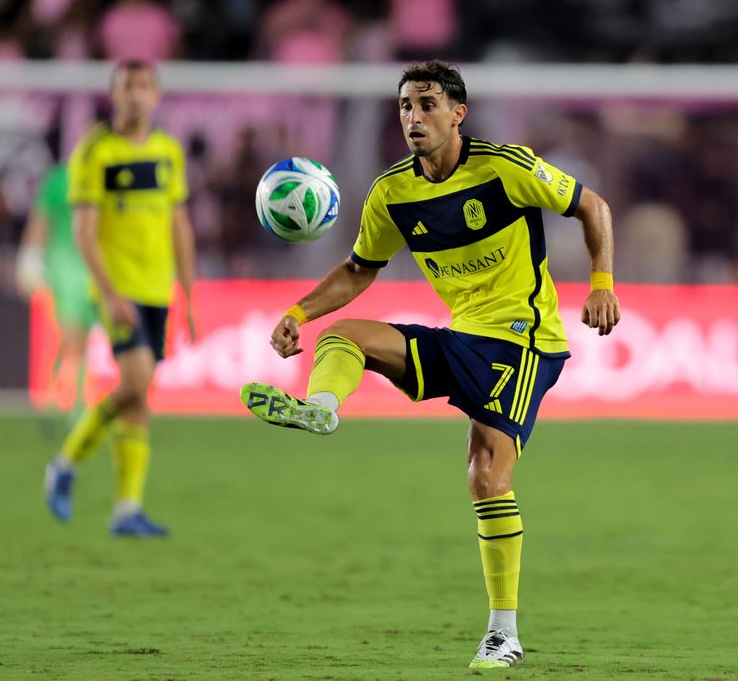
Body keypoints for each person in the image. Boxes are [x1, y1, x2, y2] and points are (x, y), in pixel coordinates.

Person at [240, 61, 620, 668]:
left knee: (486, 477)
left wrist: (600, 282)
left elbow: (592, 205)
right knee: (345, 337)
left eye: (426, 104)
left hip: (524, 342)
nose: (413, 117)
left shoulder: (506, 167)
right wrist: (298, 311)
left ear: (457, 113)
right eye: (405, 107)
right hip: (462, 336)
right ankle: (320, 408)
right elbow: (360, 269)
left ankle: (504, 634)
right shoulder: (393, 191)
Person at [44, 60, 197, 537]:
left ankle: (126, 509)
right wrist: (109, 294)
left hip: (157, 289)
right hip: (118, 290)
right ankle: (66, 462)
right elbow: (84, 233)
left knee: (138, 399)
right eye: (128, 86)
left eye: (146, 86)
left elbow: (178, 224)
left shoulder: (168, 151)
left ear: (157, 96)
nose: (137, 95)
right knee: (134, 382)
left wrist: (188, 294)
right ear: (114, 94)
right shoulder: (94, 152)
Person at [17, 162, 94, 417]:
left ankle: (74, 402)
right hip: (62, 267)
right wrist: (29, 260)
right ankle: (57, 402)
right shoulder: (58, 181)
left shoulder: (106, 178)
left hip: (92, 268)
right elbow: (40, 222)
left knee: (81, 340)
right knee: (69, 335)